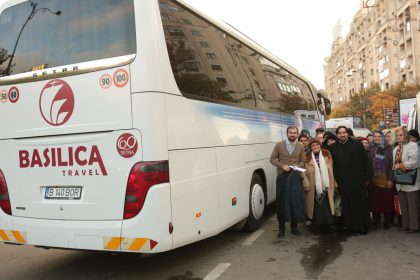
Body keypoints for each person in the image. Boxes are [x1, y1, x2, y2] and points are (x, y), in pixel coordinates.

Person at [329, 126, 370, 235]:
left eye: (344, 132)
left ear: (347, 133)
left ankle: (363, 227)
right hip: (343, 182)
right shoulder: (333, 147)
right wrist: (335, 181)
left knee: (360, 205)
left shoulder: (357, 144)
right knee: (347, 206)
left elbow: (365, 161)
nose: (342, 135)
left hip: (358, 181)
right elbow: (332, 167)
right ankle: (350, 227)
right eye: (340, 133)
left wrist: (367, 178)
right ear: (337, 135)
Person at [270, 126, 306, 237]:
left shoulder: (300, 146)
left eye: (294, 133)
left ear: (297, 134)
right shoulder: (279, 145)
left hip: (295, 177)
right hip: (282, 177)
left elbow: (303, 161)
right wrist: (282, 166)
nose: (292, 135)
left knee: (294, 202)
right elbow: (272, 159)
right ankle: (281, 229)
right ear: (287, 133)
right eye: (290, 133)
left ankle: (294, 228)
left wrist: (297, 166)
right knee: (281, 202)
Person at [303, 139, 336, 229]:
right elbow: (302, 171)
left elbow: (332, 168)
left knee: (326, 203)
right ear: (310, 147)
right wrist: (305, 183)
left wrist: (335, 182)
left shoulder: (327, 154)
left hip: (326, 183)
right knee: (316, 204)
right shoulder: (306, 156)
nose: (315, 146)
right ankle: (317, 223)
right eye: (313, 145)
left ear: (320, 145)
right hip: (313, 184)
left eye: (317, 145)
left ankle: (329, 222)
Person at [393, 127, 419, 233]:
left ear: (406, 135)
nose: (399, 137)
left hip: (411, 180)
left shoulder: (413, 146)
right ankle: (405, 224)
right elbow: (393, 164)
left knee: (413, 205)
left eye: (401, 135)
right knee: (403, 205)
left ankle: (414, 226)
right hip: (400, 181)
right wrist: (395, 166)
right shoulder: (396, 148)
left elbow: (414, 162)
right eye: (397, 135)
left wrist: (399, 166)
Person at [368, 131, 394, 230]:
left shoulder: (388, 148)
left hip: (385, 178)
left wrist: (390, 179)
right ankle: (376, 221)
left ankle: (387, 221)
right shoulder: (370, 148)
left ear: (382, 137)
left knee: (386, 202)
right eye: (375, 136)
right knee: (375, 202)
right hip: (373, 179)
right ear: (373, 137)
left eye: (379, 136)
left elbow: (392, 165)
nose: (377, 138)